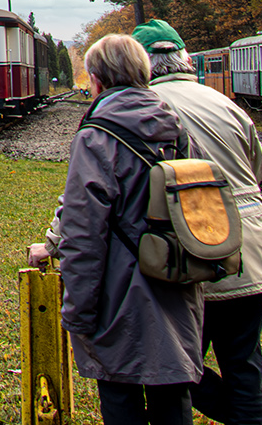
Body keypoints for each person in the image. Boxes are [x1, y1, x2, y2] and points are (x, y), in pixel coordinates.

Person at [132, 19, 262, 425]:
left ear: (142, 63)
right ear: (184, 58)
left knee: (178, 370)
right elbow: (257, 170)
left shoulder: (144, 107)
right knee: (244, 362)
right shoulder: (225, 103)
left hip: (186, 256)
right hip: (248, 249)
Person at [53, 34, 204, 425]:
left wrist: (78, 313)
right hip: (174, 278)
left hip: (117, 293)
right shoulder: (175, 127)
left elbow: (83, 235)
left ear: (97, 79)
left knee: (121, 395)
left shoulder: (96, 136)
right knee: (173, 395)